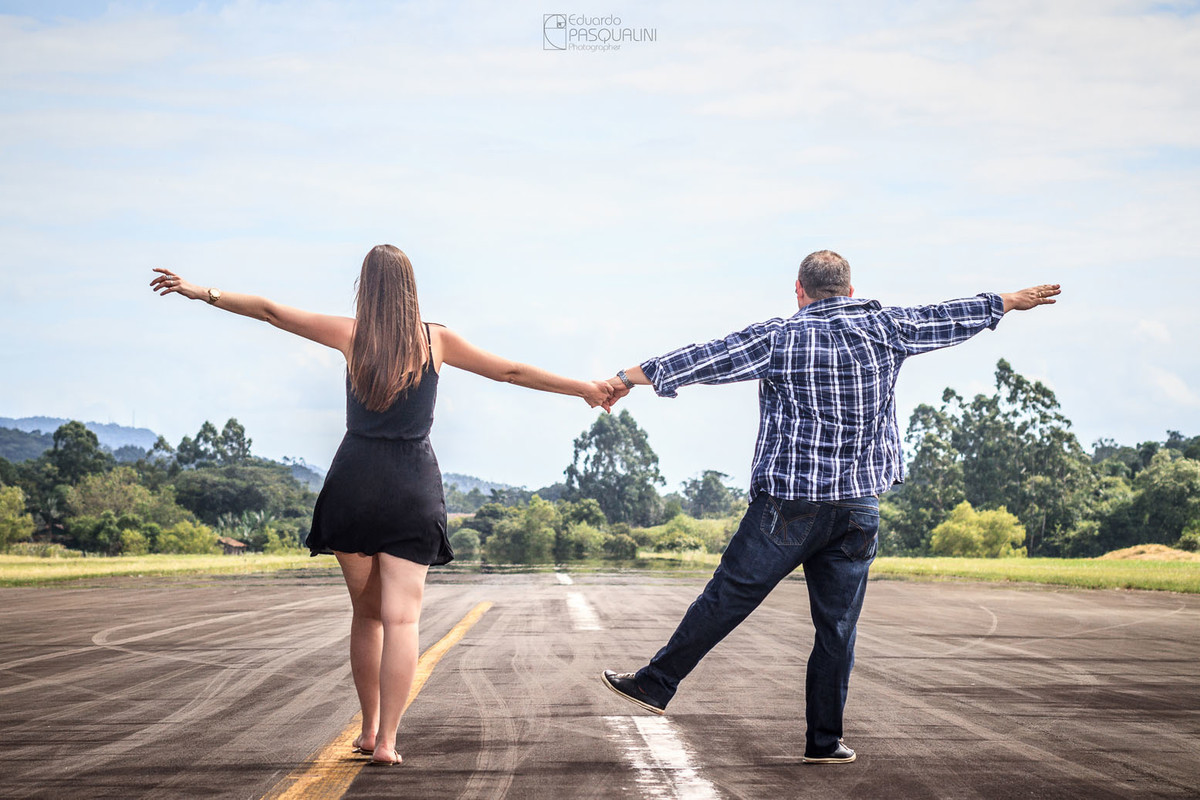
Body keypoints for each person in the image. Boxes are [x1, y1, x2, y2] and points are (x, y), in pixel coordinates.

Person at [151, 244, 613, 766]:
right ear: (411, 288)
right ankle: (388, 741)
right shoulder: (436, 340)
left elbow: (271, 311)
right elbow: (512, 371)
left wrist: (203, 292)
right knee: (402, 621)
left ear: (365, 287)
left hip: (354, 483)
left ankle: (368, 729)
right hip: (411, 486)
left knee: (367, 616)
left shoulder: (351, 335)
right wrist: (585, 388)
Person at [599, 249, 1059, 764]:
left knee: (727, 597)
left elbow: (706, 357)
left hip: (788, 507)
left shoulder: (780, 336)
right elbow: (947, 316)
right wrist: (1006, 301)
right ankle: (824, 741)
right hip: (857, 510)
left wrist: (626, 379)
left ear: (799, 291)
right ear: (850, 290)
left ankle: (657, 683)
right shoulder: (887, 328)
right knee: (837, 629)